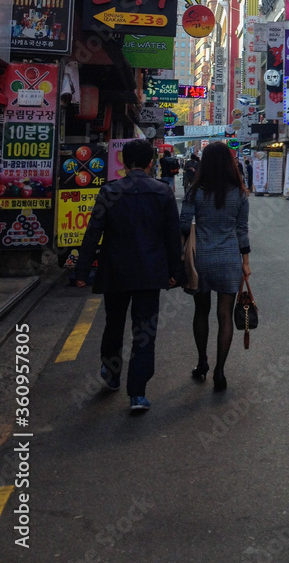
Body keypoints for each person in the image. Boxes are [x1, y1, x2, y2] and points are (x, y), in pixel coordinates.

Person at [75, 139, 181, 413]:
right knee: (144, 331)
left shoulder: (109, 191)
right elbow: (172, 237)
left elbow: (93, 233)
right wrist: (175, 272)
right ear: (150, 163)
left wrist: (81, 270)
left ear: (123, 162)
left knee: (114, 323)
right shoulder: (162, 192)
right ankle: (137, 394)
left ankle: (111, 373)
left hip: (116, 270)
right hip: (150, 271)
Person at [179, 141, 250, 392]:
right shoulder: (240, 193)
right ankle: (220, 371)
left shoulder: (195, 191)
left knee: (201, 312)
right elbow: (242, 230)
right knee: (225, 315)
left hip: (202, 259)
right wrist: (245, 262)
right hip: (230, 258)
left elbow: (184, 225)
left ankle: (202, 363)